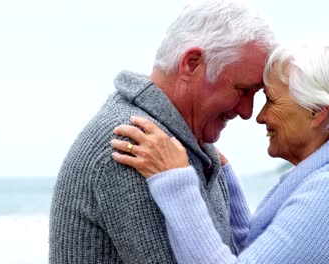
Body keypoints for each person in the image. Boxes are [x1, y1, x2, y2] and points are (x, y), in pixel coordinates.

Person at [111, 42, 329, 263]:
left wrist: (174, 181)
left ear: (318, 113)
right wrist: (226, 181)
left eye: (271, 100)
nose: (259, 116)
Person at [49, 0, 275, 263]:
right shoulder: (132, 142)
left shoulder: (185, 145)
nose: (247, 111)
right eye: (242, 89)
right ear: (192, 64)